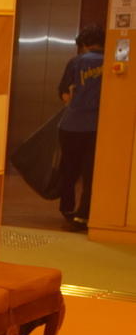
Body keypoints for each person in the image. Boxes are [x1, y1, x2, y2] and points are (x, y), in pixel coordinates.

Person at [57, 24, 104, 229]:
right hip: (96, 126)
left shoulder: (76, 62)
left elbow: (64, 93)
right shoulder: (113, 62)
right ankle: (83, 216)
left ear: (84, 44)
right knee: (90, 173)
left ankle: (67, 208)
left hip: (70, 125)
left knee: (69, 169)